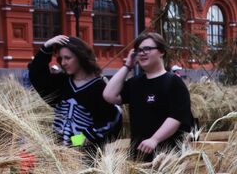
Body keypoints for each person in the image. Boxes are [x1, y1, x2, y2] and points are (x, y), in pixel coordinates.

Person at [103, 32, 195, 161]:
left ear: (161, 52)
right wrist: (127, 66)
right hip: (138, 155)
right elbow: (109, 95)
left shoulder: (173, 82)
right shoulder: (135, 83)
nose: (142, 53)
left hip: (167, 157)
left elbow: (176, 117)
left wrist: (154, 139)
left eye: (147, 49)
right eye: (138, 50)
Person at [28, 35, 122, 150]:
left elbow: (113, 119)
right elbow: (37, 75)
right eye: (61, 58)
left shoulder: (99, 87)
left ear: (80, 57)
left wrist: (77, 141)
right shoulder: (62, 83)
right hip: (57, 152)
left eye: (68, 58)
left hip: (85, 157)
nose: (63, 62)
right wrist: (46, 48)